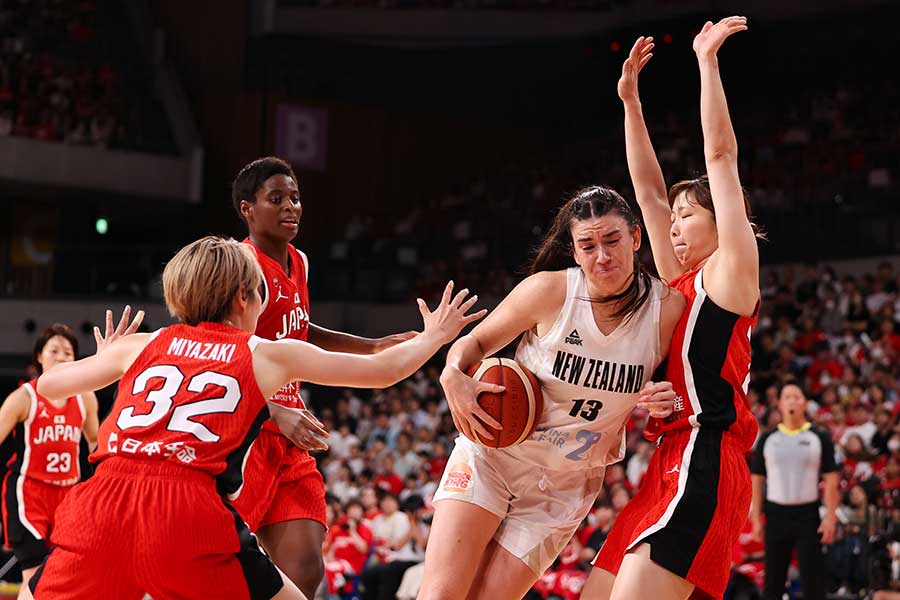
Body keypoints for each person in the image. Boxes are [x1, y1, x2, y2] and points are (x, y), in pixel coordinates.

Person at [27, 236, 483, 599]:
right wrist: (434, 336)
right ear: (246, 297)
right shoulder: (263, 353)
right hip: (187, 508)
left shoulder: (141, 344)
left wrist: (109, 356)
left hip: (103, 498)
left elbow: (49, 386)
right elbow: (384, 372)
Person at [417, 185, 686, 600]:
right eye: (588, 245)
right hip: (493, 458)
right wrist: (452, 372)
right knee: (440, 595)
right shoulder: (550, 291)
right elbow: (473, 344)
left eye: (612, 240)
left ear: (635, 237)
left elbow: (676, 393)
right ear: (575, 252)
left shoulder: (666, 309)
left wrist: (666, 401)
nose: (603, 256)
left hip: (564, 486)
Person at [589, 17, 762, 600]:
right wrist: (630, 103)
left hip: (707, 455)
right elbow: (648, 193)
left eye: (689, 215)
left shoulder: (731, 272)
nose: (675, 225)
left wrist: (706, 63)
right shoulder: (678, 282)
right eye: (676, 218)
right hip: (669, 456)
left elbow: (720, 155)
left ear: (722, 223)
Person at [228, 156, 418, 597]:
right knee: (228, 572)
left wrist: (370, 346)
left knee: (305, 572)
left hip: (290, 434)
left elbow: (300, 329)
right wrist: (273, 409)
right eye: (276, 199)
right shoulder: (239, 262)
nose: (291, 207)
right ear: (247, 210)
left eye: (295, 198)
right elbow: (228, 346)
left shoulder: (301, 262)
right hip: (246, 431)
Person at [0, 323, 100, 599]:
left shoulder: (85, 398)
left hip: (68, 495)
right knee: (34, 576)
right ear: (39, 357)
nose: (61, 357)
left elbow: (96, 444)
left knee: (61, 575)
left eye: (68, 352)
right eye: (53, 350)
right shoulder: (24, 397)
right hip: (28, 493)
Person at [750, 383, 840, 600]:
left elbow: (831, 479)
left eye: (796, 396)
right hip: (775, 515)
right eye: (787, 397)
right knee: (773, 581)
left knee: (813, 580)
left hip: (807, 515)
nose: (792, 400)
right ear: (779, 404)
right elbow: (757, 481)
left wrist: (830, 517)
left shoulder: (819, 437)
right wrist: (755, 519)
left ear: (805, 403)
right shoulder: (767, 439)